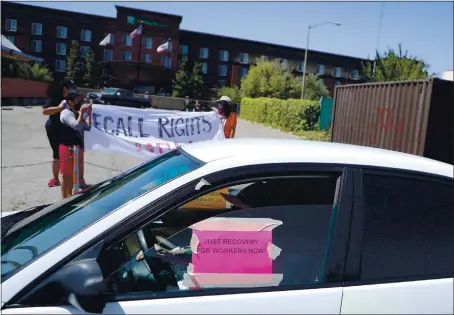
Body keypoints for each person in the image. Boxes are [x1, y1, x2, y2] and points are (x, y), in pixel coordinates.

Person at [42, 80, 89, 188]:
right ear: (64, 88)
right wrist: (60, 108)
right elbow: (45, 111)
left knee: (77, 154)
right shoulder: (55, 97)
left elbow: (83, 110)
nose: (73, 90)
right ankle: (55, 179)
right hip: (54, 128)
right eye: (71, 87)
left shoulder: (76, 98)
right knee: (57, 154)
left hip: (71, 129)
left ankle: (80, 180)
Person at [59, 92, 92, 199]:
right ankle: (65, 198)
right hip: (67, 146)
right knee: (67, 175)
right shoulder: (65, 113)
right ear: (70, 101)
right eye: (77, 100)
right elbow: (76, 126)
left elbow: (87, 127)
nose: (79, 102)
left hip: (78, 146)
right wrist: (82, 113)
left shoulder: (77, 112)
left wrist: (89, 113)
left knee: (78, 170)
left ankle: (75, 191)